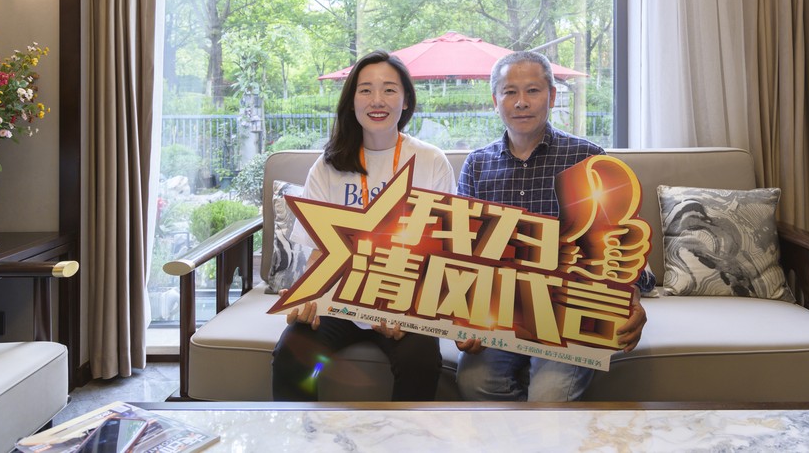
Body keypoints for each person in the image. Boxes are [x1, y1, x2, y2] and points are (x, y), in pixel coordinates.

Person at [455, 50, 655, 402]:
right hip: (501, 312)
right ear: (495, 100)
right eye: (509, 92)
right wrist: (460, 312)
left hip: (570, 311)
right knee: (473, 382)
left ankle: (542, 427)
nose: (521, 102)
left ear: (551, 96)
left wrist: (631, 297)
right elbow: (460, 251)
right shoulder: (477, 165)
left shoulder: (587, 159)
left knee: (549, 398)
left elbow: (618, 246)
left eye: (532, 91)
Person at [271, 50, 456, 401]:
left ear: (406, 101)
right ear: (352, 101)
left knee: (420, 361)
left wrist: (407, 308)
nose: (377, 100)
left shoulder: (431, 161)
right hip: (339, 300)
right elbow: (318, 253)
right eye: (366, 90)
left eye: (389, 90)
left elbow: (442, 254)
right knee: (291, 357)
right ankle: (304, 434)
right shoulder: (328, 166)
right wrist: (307, 298)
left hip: (404, 300)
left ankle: (401, 434)